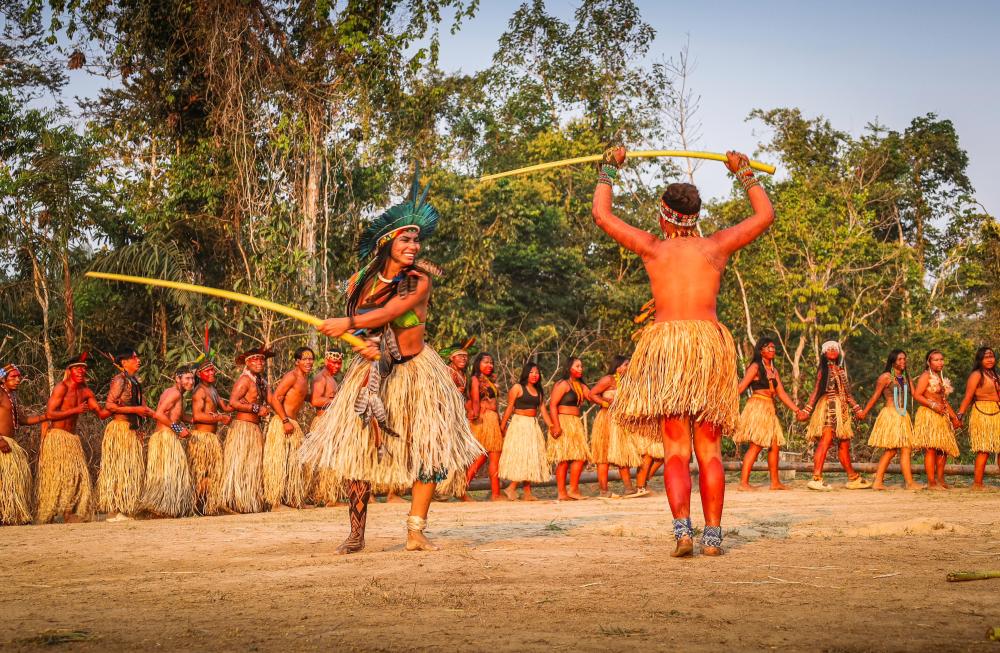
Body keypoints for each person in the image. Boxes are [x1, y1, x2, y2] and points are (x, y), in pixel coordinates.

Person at [594, 147, 773, 556]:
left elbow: (602, 216)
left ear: (664, 215)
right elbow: (764, 216)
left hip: (669, 348)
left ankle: (683, 533)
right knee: (708, 450)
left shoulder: (653, 248)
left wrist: (608, 168)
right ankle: (713, 537)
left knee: (676, 449)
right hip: (707, 348)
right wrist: (744, 173)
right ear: (695, 216)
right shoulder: (716, 247)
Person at [302, 170, 483, 553]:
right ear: (387, 242)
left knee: (430, 451)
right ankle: (356, 533)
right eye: (406, 238)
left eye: (417, 239)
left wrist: (349, 324)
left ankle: (416, 531)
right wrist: (362, 342)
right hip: (371, 375)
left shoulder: (417, 281)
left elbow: (392, 312)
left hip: (418, 372)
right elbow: (368, 327)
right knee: (357, 453)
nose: (414, 245)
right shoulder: (360, 282)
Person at [35, 353, 109, 524]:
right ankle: (48, 513)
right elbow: (50, 413)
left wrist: (116, 405)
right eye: (78, 368)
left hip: (71, 440)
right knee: (55, 476)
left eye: (84, 368)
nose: (81, 371)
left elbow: (101, 413)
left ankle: (69, 513)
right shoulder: (62, 387)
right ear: (70, 370)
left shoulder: (85, 391)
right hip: (56, 437)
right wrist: (75, 410)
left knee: (74, 476)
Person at [733, 338, 807, 491]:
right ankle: (743, 483)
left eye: (773, 347)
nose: (772, 350)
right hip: (758, 406)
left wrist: (797, 410)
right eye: (769, 347)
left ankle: (775, 482)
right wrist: (726, 401)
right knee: (757, 445)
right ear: (761, 351)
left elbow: (781, 393)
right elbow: (740, 387)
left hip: (769, 407)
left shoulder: (773, 370)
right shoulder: (755, 367)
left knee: (774, 445)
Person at [802, 341, 869, 491]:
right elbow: (816, 391)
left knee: (844, 443)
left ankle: (853, 478)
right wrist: (807, 410)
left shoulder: (840, 370)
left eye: (835, 349)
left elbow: (847, 394)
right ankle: (816, 478)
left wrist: (857, 408)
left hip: (842, 409)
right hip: (828, 407)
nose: (832, 350)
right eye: (829, 349)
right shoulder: (823, 371)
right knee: (826, 440)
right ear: (824, 353)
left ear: (838, 353)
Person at [98, 348, 155, 522]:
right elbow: (109, 406)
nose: (138, 361)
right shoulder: (119, 380)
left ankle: (124, 508)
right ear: (124, 362)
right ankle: (114, 511)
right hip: (120, 430)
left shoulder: (135, 381)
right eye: (134, 358)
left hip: (132, 430)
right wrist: (135, 409)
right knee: (118, 470)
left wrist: (141, 425)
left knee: (130, 470)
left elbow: (145, 409)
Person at [858, 350, 923, 490]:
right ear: (892, 361)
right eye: (899, 359)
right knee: (891, 450)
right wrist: (864, 412)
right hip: (891, 414)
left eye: (904, 359)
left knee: (906, 448)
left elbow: (916, 394)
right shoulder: (886, 377)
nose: (903, 361)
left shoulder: (906, 377)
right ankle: (880, 481)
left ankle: (908, 482)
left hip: (903, 416)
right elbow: (875, 396)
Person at [221, 347, 273, 513]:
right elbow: (233, 402)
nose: (259, 362)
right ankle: (233, 502)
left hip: (253, 429)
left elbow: (271, 398)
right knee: (240, 464)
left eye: (261, 359)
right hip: (243, 429)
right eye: (254, 359)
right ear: (247, 362)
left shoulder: (260, 381)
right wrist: (257, 409)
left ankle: (248, 502)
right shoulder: (244, 380)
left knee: (252, 466)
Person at [140, 365, 196, 517]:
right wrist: (179, 429)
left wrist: (201, 419)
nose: (191, 382)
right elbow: (158, 414)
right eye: (187, 378)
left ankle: (162, 507)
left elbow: (179, 415)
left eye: (192, 378)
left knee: (165, 474)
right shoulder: (175, 394)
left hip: (163, 437)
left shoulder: (173, 392)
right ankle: (163, 508)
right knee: (169, 474)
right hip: (166, 438)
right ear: (177, 378)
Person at [264, 347, 313, 510]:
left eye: (311, 359)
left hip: (293, 423)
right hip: (283, 422)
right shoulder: (291, 376)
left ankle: (293, 499)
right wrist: (285, 420)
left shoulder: (305, 378)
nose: (308, 362)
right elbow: (275, 398)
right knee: (280, 463)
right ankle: (276, 503)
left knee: (294, 463)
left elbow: (300, 396)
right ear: (297, 362)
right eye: (305, 359)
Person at [499, 360, 553, 501]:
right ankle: (511, 488)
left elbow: (543, 411)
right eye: (531, 372)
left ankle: (527, 492)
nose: (535, 375)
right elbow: (509, 407)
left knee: (531, 457)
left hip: (532, 425)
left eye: (537, 373)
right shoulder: (517, 387)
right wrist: (502, 425)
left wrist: (551, 426)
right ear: (526, 374)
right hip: (519, 424)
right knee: (522, 456)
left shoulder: (539, 391)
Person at [588, 356, 641, 498]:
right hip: (605, 419)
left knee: (622, 453)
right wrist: (605, 403)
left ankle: (629, 488)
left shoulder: (627, 383)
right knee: (603, 455)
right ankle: (604, 490)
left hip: (620, 421)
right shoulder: (608, 379)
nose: (628, 367)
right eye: (626, 365)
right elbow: (592, 394)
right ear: (617, 367)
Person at [0, 364, 46, 525]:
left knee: (11, 481)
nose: (18, 380)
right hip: (2, 442)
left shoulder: (12, 397)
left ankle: (10, 514)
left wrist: (45, 417)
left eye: (19, 377)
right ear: (3, 379)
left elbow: (23, 420)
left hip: (9, 443)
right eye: (13, 377)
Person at [912, 350, 961, 490]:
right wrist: (933, 405)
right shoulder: (925, 376)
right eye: (936, 360)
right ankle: (931, 482)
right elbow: (917, 395)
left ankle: (940, 479)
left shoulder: (940, 378)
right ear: (929, 362)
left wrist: (954, 417)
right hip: (929, 414)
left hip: (941, 416)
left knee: (943, 449)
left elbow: (944, 401)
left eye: (941, 359)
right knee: (931, 449)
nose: (940, 362)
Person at [189, 353, 231, 515]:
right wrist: (220, 418)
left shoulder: (212, 389)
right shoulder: (199, 392)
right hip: (202, 439)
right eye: (208, 371)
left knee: (212, 474)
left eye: (213, 371)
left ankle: (206, 505)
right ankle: (195, 506)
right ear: (200, 374)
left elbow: (226, 407)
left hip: (212, 440)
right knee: (200, 473)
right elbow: (197, 416)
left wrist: (245, 403)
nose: (212, 373)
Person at [547, 357, 593, 501]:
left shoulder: (580, 386)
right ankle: (561, 493)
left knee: (580, 457)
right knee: (564, 459)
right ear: (569, 368)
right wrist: (556, 425)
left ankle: (573, 489)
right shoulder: (562, 384)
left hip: (575, 423)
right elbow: (553, 405)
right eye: (577, 366)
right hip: (563, 421)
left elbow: (592, 396)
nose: (581, 369)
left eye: (581, 366)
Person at [464, 352, 506, 501]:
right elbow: (475, 399)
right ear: (478, 364)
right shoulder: (475, 379)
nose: (490, 365)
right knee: (482, 456)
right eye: (486, 362)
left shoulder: (489, 380)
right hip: (484, 419)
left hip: (493, 420)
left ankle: (496, 493)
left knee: (495, 457)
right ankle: (461, 487)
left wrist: (501, 423)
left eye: (491, 362)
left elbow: (496, 404)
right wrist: (474, 415)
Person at [957, 347, 1000, 489]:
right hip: (983, 413)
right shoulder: (976, 375)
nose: (989, 359)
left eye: (991, 356)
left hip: (997, 412)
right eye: (986, 357)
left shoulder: (995, 375)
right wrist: (960, 415)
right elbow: (968, 396)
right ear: (980, 359)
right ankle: (977, 483)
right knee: (984, 449)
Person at [305, 350, 343, 507]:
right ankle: (324, 496)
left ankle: (330, 496)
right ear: (326, 361)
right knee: (322, 460)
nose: (336, 366)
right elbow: (315, 400)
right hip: (322, 422)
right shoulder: (321, 378)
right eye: (333, 363)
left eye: (339, 363)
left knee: (331, 460)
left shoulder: (331, 379)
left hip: (330, 423)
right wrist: (337, 401)